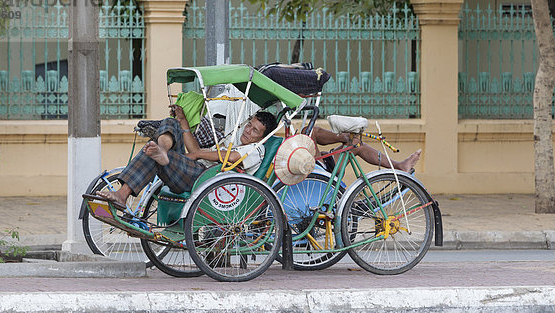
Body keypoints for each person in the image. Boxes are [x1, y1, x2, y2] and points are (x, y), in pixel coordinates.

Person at [97, 105, 277, 205]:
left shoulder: (257, 150)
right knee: (171, 123)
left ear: (262, 137)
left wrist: (198, 154)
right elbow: (193, 151)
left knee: (152, 152)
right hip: (198, 173)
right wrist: (183, 121)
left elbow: (231, 158)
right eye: (249, 125)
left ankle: (123, 193)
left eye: (255, 130)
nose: (248, 131)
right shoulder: (237, 142)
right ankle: (162, 150)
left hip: (206, 180)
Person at [307, 126, 422, 173]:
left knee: (357, 144)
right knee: (311, 131)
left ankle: (399, 166)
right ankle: (346, 137)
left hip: (322, 164)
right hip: (315, 168)